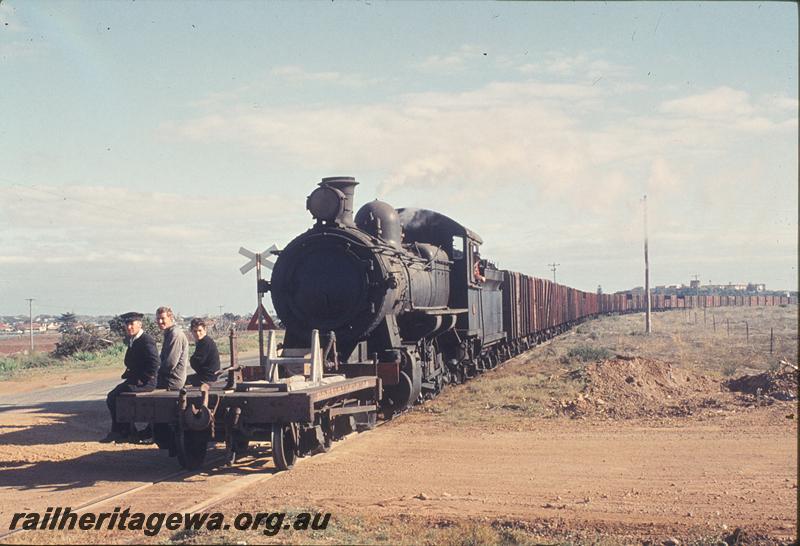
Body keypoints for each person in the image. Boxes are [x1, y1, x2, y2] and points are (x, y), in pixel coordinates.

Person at [101, 312, 159, 443]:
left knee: (113, 397)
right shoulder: (134, 340)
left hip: (145, 383)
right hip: (136, 380)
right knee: (113, 397)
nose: (129, 327)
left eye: (132, 324)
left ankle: (121, 432)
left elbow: (155, 363)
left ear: (140, 324)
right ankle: (123, 431)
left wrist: (145, 378)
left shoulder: (146, 340)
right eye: (127, 324)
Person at [156, 306, 189, 390]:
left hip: (172, 380)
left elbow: (170, 363)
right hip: (167, 377)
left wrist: (154, 373)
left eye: (163, 318)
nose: (160, 321)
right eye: (158, 319)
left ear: (170, 318)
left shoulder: (175, 334)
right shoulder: (168, 333)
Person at [186, 317, 221, 386]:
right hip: (207, 375)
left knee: (182, 382)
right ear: (191, 331)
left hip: (208, 378)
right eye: (195, 331)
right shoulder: (202, 341)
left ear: (205, 330)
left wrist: (192, 359)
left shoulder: (205, 342)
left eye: (200, 330)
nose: (198, 333)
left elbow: (197, 361)